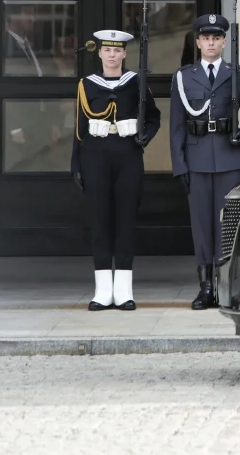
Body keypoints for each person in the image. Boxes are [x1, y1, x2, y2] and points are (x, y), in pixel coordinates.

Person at [170, 14, 240, 310]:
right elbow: (176, 126)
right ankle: (205, 287)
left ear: (224, 42)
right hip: (196, 160)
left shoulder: (239, 75)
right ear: (197, 42)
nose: (211, 42)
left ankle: (227, 285)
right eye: (205, 38)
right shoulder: (184, 77)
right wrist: (180, 165)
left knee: (228, 225)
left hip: (228, 157)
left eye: (216, 38)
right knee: (201, 226)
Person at [71, 29, 161, 312]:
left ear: (124, 53)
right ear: (99, 53)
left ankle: (123, 291)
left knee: (124, 221)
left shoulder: (136, 82)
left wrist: (144, 136)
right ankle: (102, 291)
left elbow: (154, 117)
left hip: (127, 155)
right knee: (100, 222)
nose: (112, 55)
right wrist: (75, 164)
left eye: (117, 50)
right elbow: (79, 128)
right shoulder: (87, 85)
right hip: (95, 156)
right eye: (106, 50)